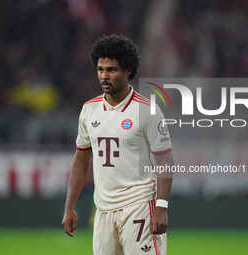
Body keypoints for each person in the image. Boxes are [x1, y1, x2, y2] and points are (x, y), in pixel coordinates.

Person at [62, 34, 173, 255]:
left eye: (111, 70)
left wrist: (162, 206)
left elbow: (164, 159)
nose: (104, 76)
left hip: (139, 205)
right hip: (103, 209)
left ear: (128, 71)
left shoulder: (147, 110)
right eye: (100, 70)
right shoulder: (89, 110)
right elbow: (81, 158)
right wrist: (69, 207)